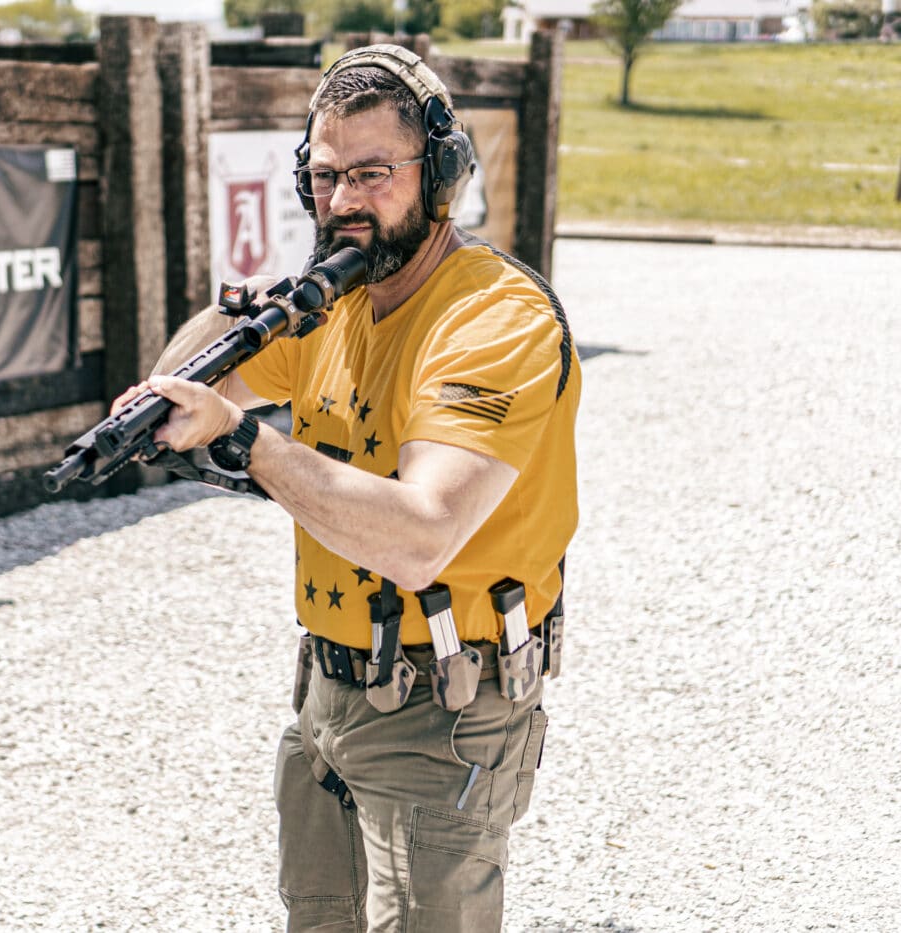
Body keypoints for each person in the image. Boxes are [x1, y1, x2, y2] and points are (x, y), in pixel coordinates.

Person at [112, 45, 579, 932]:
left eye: (373, 172)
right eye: (326, 176)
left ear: (438, 174)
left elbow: (419, 535)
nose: (345, 201)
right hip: (327, 700)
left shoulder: (493, 318)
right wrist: (234, 315)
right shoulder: (334, 302)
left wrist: (248, 440)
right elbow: (163, 402)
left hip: (442, 719)